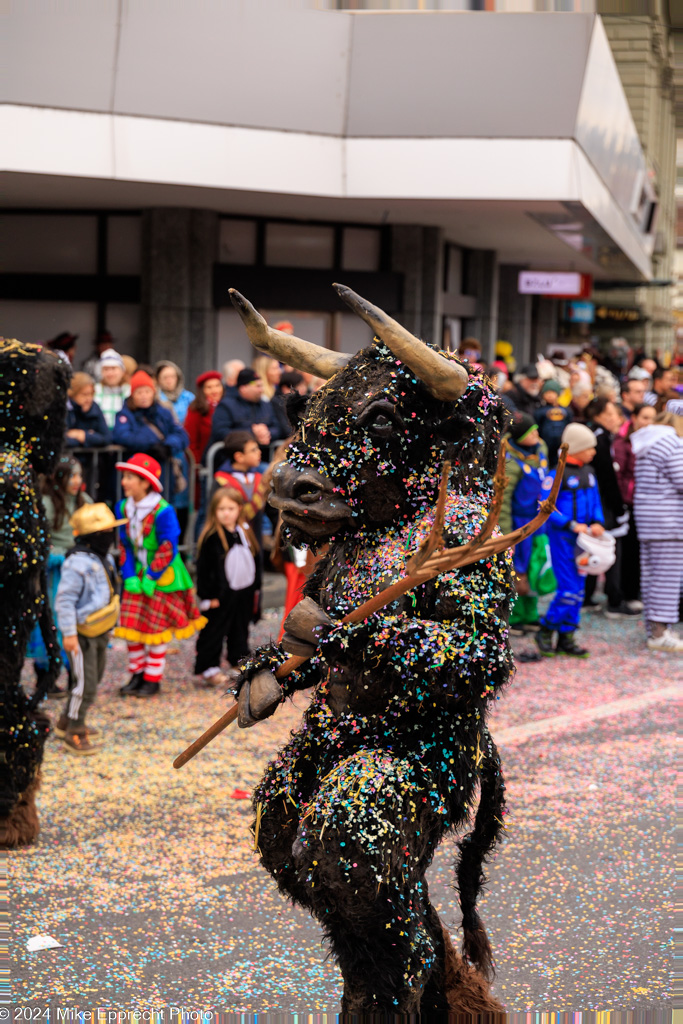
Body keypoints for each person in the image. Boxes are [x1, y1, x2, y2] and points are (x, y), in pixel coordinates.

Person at [114, 453, 205, 697]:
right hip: (138, 573)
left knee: (155, 628)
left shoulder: (163, 511)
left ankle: (152, 679)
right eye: (124, 476)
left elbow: (168, 547)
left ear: (145, 482)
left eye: (130, 477)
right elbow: (125, 545)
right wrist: (130, 574)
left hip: (162, 574)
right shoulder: (123, 507)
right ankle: (136, 674)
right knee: (131, 626)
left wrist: (151, 575)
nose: (124, 482)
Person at [53, 503, 126, 754]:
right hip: (82, 634)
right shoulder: (77, 563)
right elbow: (64, 600)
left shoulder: (102, 556)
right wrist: (69, 633)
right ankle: (74, 729)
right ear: (92, 536)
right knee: (86, 685)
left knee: (90, 679)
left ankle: (66, 720)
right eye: (105, 533)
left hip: (99, 631)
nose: (109, 537)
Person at [536, 423, 605, 658]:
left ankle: (567, 636)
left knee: (579, 590)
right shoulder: (556, 475)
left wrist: (598, 522)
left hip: (584, 542)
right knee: (569, 590)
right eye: (589, 448)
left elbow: (595, 501)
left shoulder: (589, 472)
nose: (593, 452)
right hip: (563, 539)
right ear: (575, 448)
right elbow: (546, 507)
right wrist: (571, 524)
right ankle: (546, 628)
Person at [26, 457, 93, 697]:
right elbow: (39, 540)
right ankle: (46, 678)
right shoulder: (46, 504)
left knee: (76, 620)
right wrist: (59, 556)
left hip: (78, 570)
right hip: (54, 573)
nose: (77, 481)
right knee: (50, 620)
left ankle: (77, 677)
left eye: (79, 475)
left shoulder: (84, 502)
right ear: (59, 478)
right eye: (71, 475)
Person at [193, 487, 259, 688]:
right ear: (214, 511)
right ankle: (208, 668)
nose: (226, 513)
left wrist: (256, 588)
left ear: (239, 508)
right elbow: (204, 570)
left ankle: (238, 660)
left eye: (230, 508)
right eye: (221, 509)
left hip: (242, 592)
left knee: (240, 628)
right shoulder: (211, 537)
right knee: (214, 630)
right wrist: (208, 595)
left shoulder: (244, 532)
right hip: (220, 595)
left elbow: (255, 561)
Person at [631, 411, 683, 653]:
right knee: (667, 579)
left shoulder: (648, 441)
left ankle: (655, 630)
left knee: (652, 576)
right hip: (669, 520)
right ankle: (660, 633)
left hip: (650, 518)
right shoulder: (671, 442)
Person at [584, 396, 635, 618]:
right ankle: (614, 599)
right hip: (603, 503)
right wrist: (619, 506)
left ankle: (588, 596)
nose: (616, 418)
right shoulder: (600, 438)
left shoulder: (602, 436)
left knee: (594, 544)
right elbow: (607, 478)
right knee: (609, 547)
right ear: (599, 416)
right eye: (611, 413)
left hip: (597, 500)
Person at [499, 413, 549, 634]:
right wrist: (508, 536)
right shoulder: (509, 461)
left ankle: (531, 613)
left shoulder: (541, 449)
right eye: (532, 432)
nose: (537, 434)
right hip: (520, 523)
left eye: (537, 429)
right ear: (520, 437)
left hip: (541, 521)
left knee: (536, 566)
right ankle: (516, 616)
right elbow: (503, 503)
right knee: (519, 569)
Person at [613, 403, 657, 611]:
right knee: (630, 551)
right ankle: (627, 594)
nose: (649, 423)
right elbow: (620, 476)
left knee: (644, 551)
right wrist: (624, 500)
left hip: (649, 503)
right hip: (630, 504)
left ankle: (639, 591)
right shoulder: (624, 442)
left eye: (653, 418)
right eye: (645, 417)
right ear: (635, 418)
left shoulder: (656, 442)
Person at [112, 370, 189, 473]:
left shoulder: (163, 412)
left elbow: (180, 434)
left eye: (147, 392)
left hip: (162, 468)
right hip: (136, 468)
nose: (144, 396)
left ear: (153, 393)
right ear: (132, 395)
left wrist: (168, 447)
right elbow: (122, 435)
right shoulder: (125, 414)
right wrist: (151, 445)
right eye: (139, 392)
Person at [208, 367, 285, 455]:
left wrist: (267, 433)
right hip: (233, 460)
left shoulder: (266, 405)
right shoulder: (226, 405)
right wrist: (252, 434)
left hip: (263, 457)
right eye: (257, 386)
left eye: (261, 385)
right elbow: (220, 432)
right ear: (243, 388)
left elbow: (278, 428)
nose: (261, 390)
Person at [64, 373, 110, 449]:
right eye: (84, 394)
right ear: (73, 394)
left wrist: (81, 435)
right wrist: (91, 436)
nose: (89, 399)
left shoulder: (95, 408)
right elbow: (61, 439)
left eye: (91, 394)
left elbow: (106, 438)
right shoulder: (66, 409)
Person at [534, 380, 572, 467]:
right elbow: (537, 425)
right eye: (547, 392)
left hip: (561, 442)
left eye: (553, 392)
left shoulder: (566, 410)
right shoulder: (540, 411)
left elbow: (569, 424)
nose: (550, 395)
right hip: (546, 442)